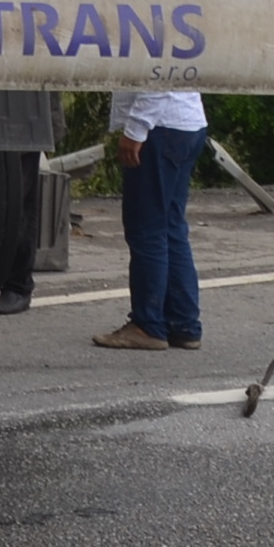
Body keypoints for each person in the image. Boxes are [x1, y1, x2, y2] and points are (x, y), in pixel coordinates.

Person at [91, 87, 208, 352]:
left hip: (159, 128)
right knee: (170, 229)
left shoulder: (153, 42)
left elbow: (158, 77)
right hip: (186, 122)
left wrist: (135, 129)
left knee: (147, 230)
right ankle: (183, 323)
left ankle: (147, 325)